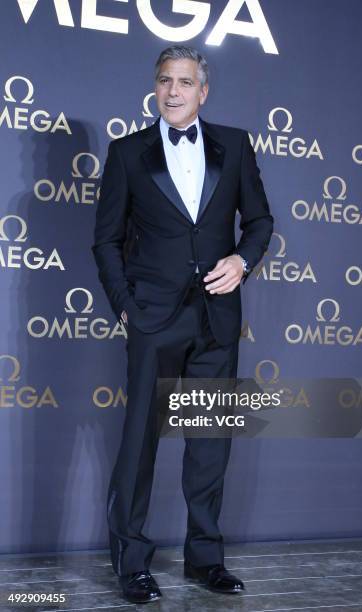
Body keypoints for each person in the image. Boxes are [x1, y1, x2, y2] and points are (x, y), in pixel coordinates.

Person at [92, 45, 274, 604]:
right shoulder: (127, 153)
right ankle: (132, 564)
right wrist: (126, 305)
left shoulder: (236, 146)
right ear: (155, 88)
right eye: (164, 80)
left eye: (185, 82)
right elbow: (106, 240)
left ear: (204, 90)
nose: (173, 91)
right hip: (153, 320)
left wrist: (243, 261)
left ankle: (205, 560)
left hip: (217, 320)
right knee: (139, 445)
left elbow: (261, 219)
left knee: (209, 445)